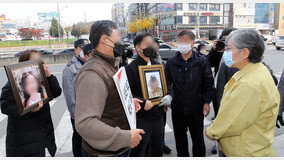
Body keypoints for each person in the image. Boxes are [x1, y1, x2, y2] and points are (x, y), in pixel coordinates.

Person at [74, 20, 144, 157]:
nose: (121, 41)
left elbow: (107, 100)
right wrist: (125, 137)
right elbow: (85, 123)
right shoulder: (93, 73)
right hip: (105, 154)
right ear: (105, 40)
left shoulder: (109, 64)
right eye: (118, 36)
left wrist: (126, 102)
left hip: (115, 150)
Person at [205, 29, 280, 157]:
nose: (225, 53)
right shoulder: (255, 70)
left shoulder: (250, 84)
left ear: (245, 52)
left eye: (229, 49)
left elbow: (232, 121)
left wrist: (212, 131)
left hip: (245, 152)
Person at [0, 49, 62, 157]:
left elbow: (56, 92)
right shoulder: (13, 84)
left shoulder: (41, 80)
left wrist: (49, 77)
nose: (40, 62)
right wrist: (27, 109)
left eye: (41, 59)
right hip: (24, 141)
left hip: (44, 137)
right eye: (36, 60)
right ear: (25, 63)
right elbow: (5, 106)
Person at [165, 30, 214, 157]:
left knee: (197, 138)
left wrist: (206, 102)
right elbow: (166, 83)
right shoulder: (171, 62)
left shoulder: (201, 61)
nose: (182, 44)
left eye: (186, 42)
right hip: (178, 107)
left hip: (196, 107)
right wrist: (168, 97)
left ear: (192, 44)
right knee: (180, 139)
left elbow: (208, 83)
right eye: (180, 41)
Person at [126, 33, 172, 157]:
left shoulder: (159, 66)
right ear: (138, 47)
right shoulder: (130, 69)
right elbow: (127, 95)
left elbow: (167, 87)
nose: (151, 47)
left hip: (158, 116)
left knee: (157, 149)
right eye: (148, 45)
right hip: (142, 118)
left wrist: (169, 96)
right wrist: (143, 101)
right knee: (139, 151)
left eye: (152, 44)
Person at [62, 39, 89, 157]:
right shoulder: (70, 68)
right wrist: (74, 113)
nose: (84, 50)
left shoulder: (90, 63)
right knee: (78, 137)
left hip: (90, 108)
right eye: (82, 48)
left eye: (86, 48)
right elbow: (69, 93)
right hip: (78, 111)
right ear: (76, 50)